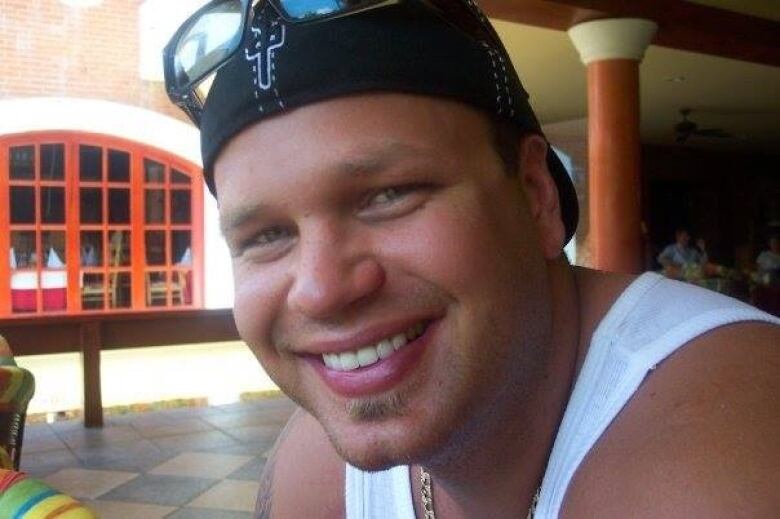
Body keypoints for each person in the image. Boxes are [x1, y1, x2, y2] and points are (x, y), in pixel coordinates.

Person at [164, 1, 780, 517]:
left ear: (536, 195)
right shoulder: (317, 475)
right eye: (267, 235)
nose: (321, 291)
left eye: (389, 195)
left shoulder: (727, 455)